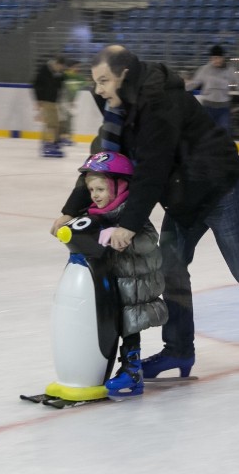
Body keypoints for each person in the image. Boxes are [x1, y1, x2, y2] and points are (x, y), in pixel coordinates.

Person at [51, 45, 239, 379]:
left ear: (125, 76)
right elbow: (103, 159)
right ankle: (178, 350)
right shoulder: (120, 110)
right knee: (170, 268)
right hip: (184, 197)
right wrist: (71, 209)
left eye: (104, 81)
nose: (98, 90)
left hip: (221, 189)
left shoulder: (160, 104)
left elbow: (153, 170)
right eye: (95, 82)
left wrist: (128, 225)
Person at [76, 151, 167, 398]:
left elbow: (149, 241)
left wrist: (123, 237)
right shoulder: (95, 213)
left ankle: (132, 371)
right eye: (92, 190)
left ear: (119, 186)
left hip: (135, 283)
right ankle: (104, 367)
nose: (95, 196)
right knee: (111, 324)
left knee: (129, 326)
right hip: (114, 281)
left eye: (101, 190)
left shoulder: (130, 213)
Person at [185, 45, 239, 133]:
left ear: (223, 57)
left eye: (218, 57)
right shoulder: (205, 69)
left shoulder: (230, 70)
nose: (216, 60)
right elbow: (194, 83)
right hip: (208, 108)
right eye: (213, 58)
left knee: (224, 134)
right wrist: (181, 86)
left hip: (223, 109)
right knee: (206, 134)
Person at [31, 56, 67, 158]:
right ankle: (47, 144)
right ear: (56, 63)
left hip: (54, 101)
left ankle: (54, 142)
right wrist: (38, 100)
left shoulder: (59, 73)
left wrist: (60, 75)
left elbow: (61, 85)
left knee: (55, 123)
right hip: (45, 100)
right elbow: (36, 85)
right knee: (50, 123)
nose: (61, 69)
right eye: (60, 67)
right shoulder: (44, 70)